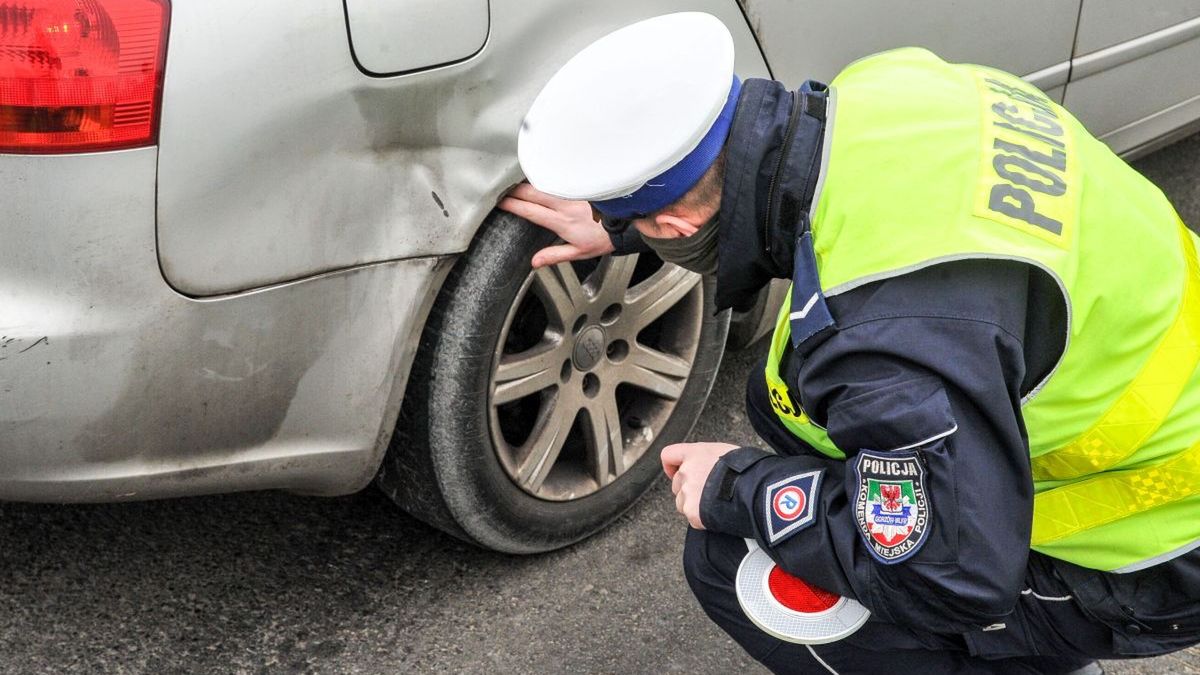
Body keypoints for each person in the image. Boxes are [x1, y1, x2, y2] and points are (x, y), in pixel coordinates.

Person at [499, 11, 1200, 675]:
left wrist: (738, 489)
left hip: (1156, 551)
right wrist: (629, 220)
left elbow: (952, 577)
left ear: (677, 227)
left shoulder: (885, 350)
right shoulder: (884, 87)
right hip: (1154, 377)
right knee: (788, 403)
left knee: (729, 561)